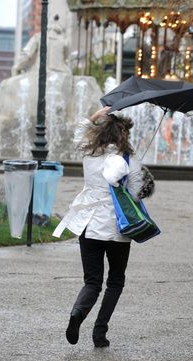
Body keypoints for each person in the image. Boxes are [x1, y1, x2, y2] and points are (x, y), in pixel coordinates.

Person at [53, 106, 144, 348]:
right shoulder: (129, 160)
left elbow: (78, 134)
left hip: (88, 224)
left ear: (100, 132)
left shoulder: (89, 152)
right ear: (123, 134)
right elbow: (135, 195)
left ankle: (77, 314)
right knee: (115, 281)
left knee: (92, 281)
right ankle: (99, 332)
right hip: (117, 228)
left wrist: (93, 116)